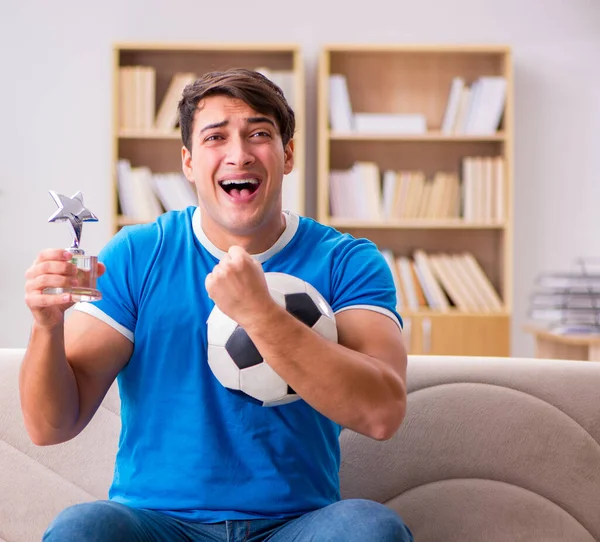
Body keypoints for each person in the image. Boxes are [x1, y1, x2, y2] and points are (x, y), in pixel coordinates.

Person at [21, 68, 413, 542]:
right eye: (215, 137)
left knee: (371, 528)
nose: (238, 154)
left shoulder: (347, 262)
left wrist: (262, 315)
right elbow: (49, 427)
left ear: (287, 154)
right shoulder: (138, 254)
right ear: (188, 161)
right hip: (158, 524)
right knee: (81, 528)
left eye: (259, 134)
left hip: (298, 525)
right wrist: (46, 327)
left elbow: (382, 414)